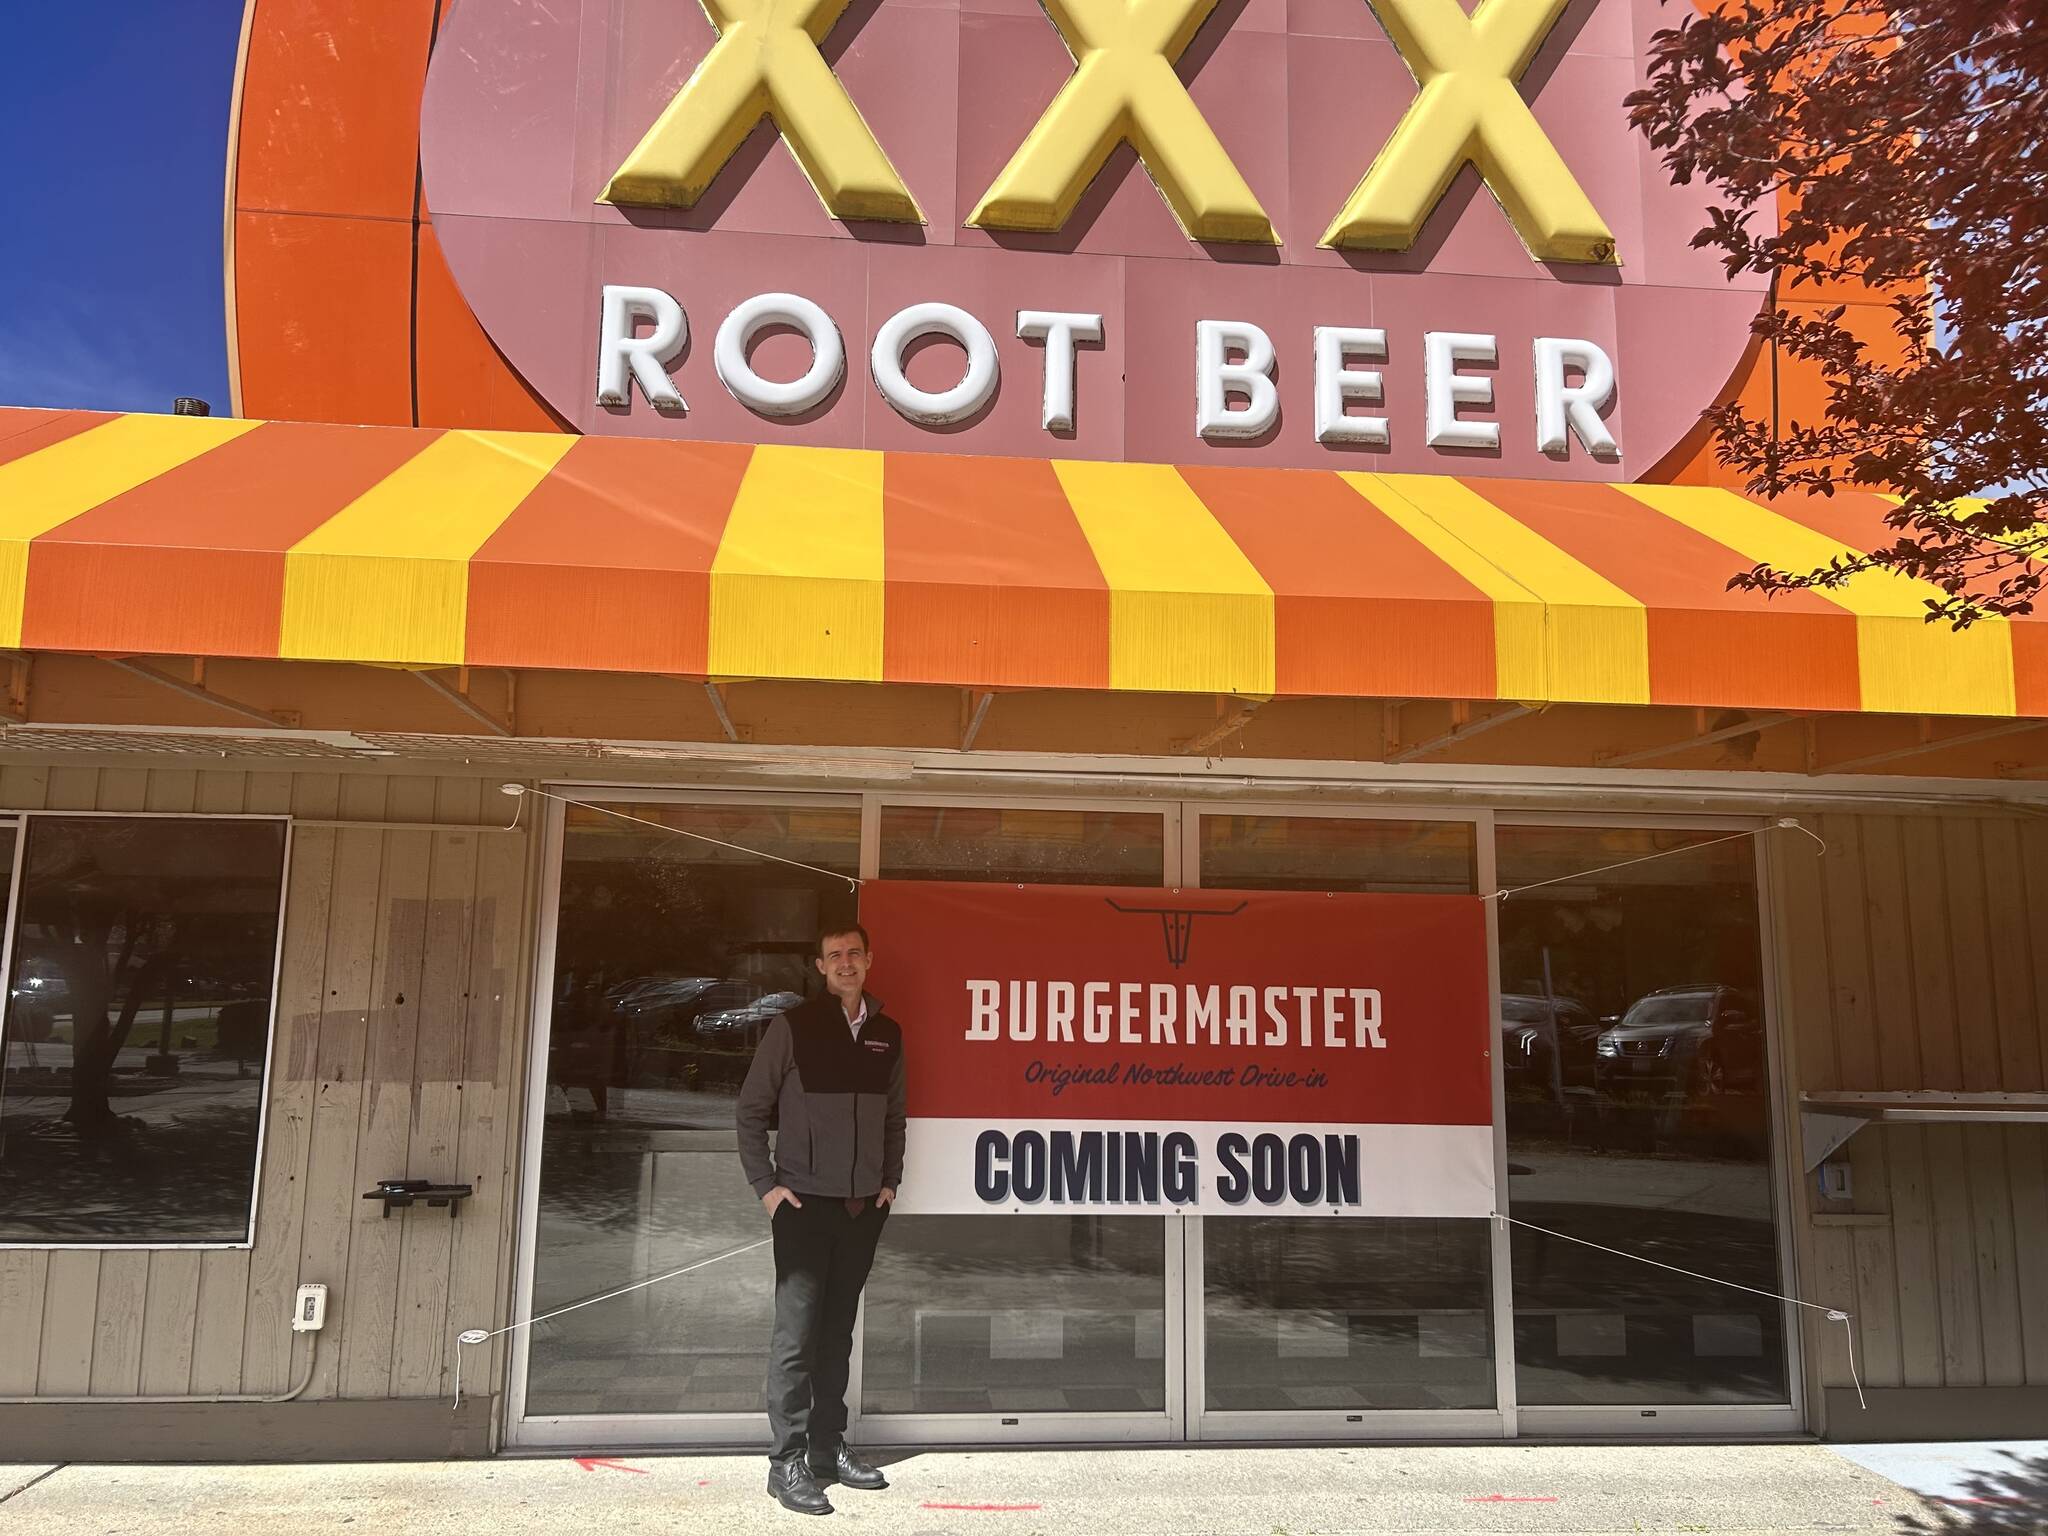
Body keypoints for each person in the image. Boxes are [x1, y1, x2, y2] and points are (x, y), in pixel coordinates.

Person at [736, 923, 906, 1516]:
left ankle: (828, 1450)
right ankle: (786, 1462)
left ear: (868, 960)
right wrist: (767, 1187)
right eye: (834, 956)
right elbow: (751, 1110)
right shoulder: (794, 1028)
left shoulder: (887, 1034)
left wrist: (890, 1182)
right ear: (819, 966)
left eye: (854, 953)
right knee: (797, 1335)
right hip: (804, 1207)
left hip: (862, 1209)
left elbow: (894, 1118)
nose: (845, 963)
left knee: (837, 1335)